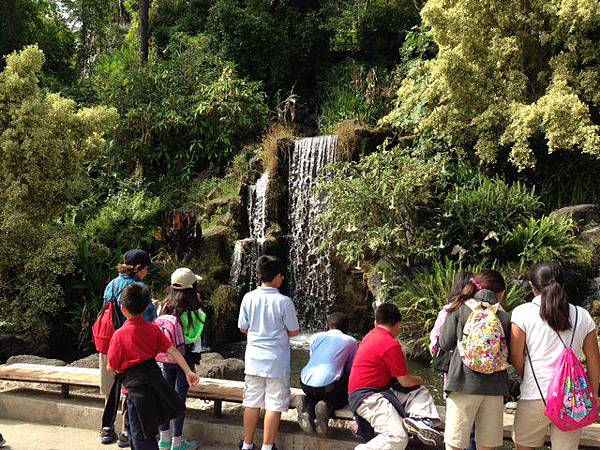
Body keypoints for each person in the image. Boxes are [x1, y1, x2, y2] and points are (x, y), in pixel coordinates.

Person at [510, 262, 600, 450]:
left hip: (535, 394)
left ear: (531, 285)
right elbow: (594, 361)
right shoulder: (582, 315)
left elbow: (516, 357)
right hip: (571, 398)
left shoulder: (522, 313)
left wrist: (525, 376)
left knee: (523, 446)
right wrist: (592, 395)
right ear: (563, 284)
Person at [107, 282, 199, 450]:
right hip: (154, 387)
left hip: (134, 392)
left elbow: (111, 367)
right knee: (147, 433)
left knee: (140, 436)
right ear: (146, 307)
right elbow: (173, 349)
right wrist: (188, 371)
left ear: (122, 308)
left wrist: (123, 374)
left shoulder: (119, 335)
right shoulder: (153, 329)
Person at [348, 302, 444, 450]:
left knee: (418, 391)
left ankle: (421, 421)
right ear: (398, 324)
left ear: (376, 322)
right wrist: (420, 379)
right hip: (369, 397)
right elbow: (405, 381)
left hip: (367, 393)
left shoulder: (369, 336)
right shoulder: (390, 344)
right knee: (398, 437)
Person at [439, 270, 511, 450]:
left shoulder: (459, 308)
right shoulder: (504, 317)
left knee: (455, 444)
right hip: (494, 388)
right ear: (500, 293)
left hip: (462, 384)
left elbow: (445, 343)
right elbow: (509, 352)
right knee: (485, 445)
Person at [237, 255, 300, 450]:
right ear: (278, 276)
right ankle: (267, 446)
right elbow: (294, 332)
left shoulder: (249, 297)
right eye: (282, 276)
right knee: (274, 403)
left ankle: (247, 445)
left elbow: (242, 327)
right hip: (277, 362)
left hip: (253, 359)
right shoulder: (284, 301)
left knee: (251, 401)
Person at [100, 249, 158, 447]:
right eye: (147, 268)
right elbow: (149, 320)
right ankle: (126, 432)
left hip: (109, 341)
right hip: (129, 345)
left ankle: (107, 429)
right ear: (139, 268)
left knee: (110, 386)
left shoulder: (111, 284)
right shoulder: (138, 287)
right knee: (129, 389)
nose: (148, 272)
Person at [157, 268, 207, 450]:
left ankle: (163, 439)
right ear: (192, 287)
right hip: (186, 359)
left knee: (165, 395)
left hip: (167, 356)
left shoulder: (164, 305)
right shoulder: (194, 307)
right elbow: (195, 337)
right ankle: (177, 443)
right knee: (179, 398)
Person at [428, 271, 476, 450]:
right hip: (481, 376)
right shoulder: (483, 309)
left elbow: (436, 342)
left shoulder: (448, 310)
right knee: (474, 430)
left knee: (456, 426)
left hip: (454, 377)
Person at [298, 312, 357, 436]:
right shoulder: (351, 341)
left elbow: (313, 358)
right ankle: (327, 406)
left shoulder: (315, 337)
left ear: (328, 326)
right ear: (346, 328)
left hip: (305, 383)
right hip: (328, 388)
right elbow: (350, 369)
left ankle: (307, 406)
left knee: (318, 389)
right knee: (346, 384)